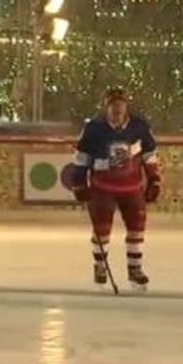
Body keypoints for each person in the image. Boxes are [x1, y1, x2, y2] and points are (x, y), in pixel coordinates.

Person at [70, 88, 161, 291]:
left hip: (132, 188)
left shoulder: (139, 127)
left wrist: (154, 179)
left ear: (126, 106)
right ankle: (100, 266)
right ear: (107, 107)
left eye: (121, 105)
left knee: (136, 228)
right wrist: (79, 181)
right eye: (113, 106)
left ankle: (135, 269)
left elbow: (149, 154)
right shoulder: (94, 128)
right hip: (102, 189)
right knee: (102, 230)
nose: (117, 110)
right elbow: (82, 156)